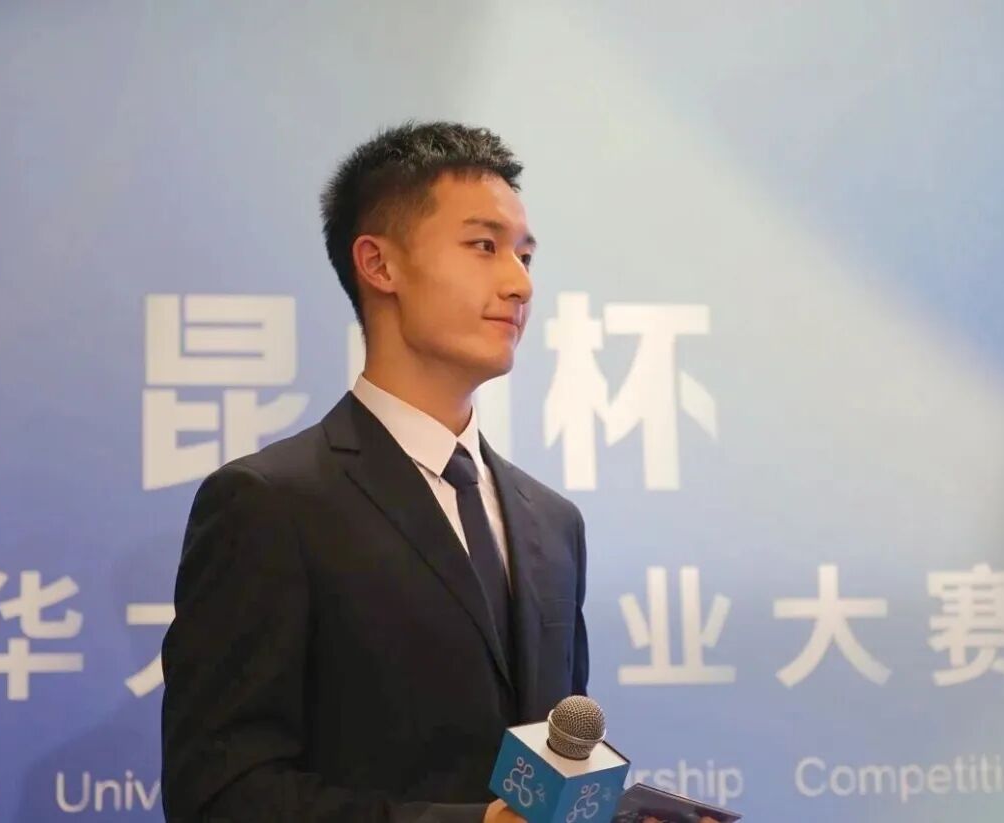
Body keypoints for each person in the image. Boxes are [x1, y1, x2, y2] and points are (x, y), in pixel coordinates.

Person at [159, 120, 717, 823]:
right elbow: (219, 795)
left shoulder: (553, 522)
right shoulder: (270, 503)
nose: (519, 283)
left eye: (525, 256)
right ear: (379, 264)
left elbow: (543, 787)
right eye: (484, 246)